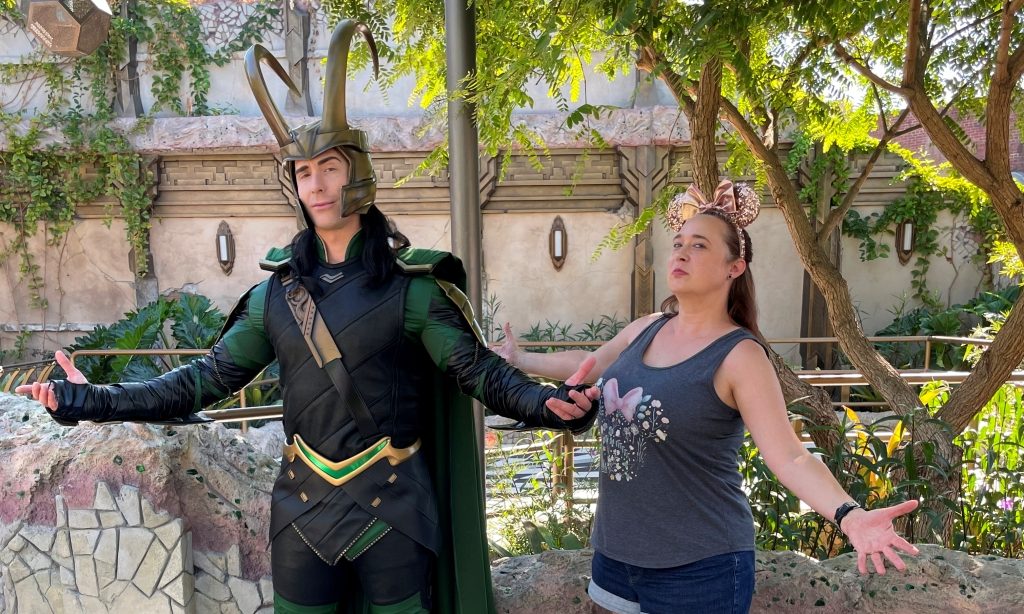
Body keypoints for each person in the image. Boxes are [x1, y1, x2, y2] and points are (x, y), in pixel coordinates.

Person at [16, 19, 598, 614]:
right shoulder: (274, 296)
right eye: (303, 172)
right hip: (301, 510)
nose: (315, 184)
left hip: (393, 508)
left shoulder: (414, 290)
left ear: (357, 174)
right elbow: (202, 381)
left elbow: (480, 374)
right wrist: (91, 400)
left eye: (328, 167)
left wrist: (545, 404)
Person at [494, 180, 920, 614]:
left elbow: (789, 456)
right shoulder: (648, 327)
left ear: (734, 267)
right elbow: (590, 363)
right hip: (615, 557)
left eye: (699, 245)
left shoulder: (740, 355)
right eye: (678, 242)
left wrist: (850, 516)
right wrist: (519, 358)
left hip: (699, 568)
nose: (680, 252)